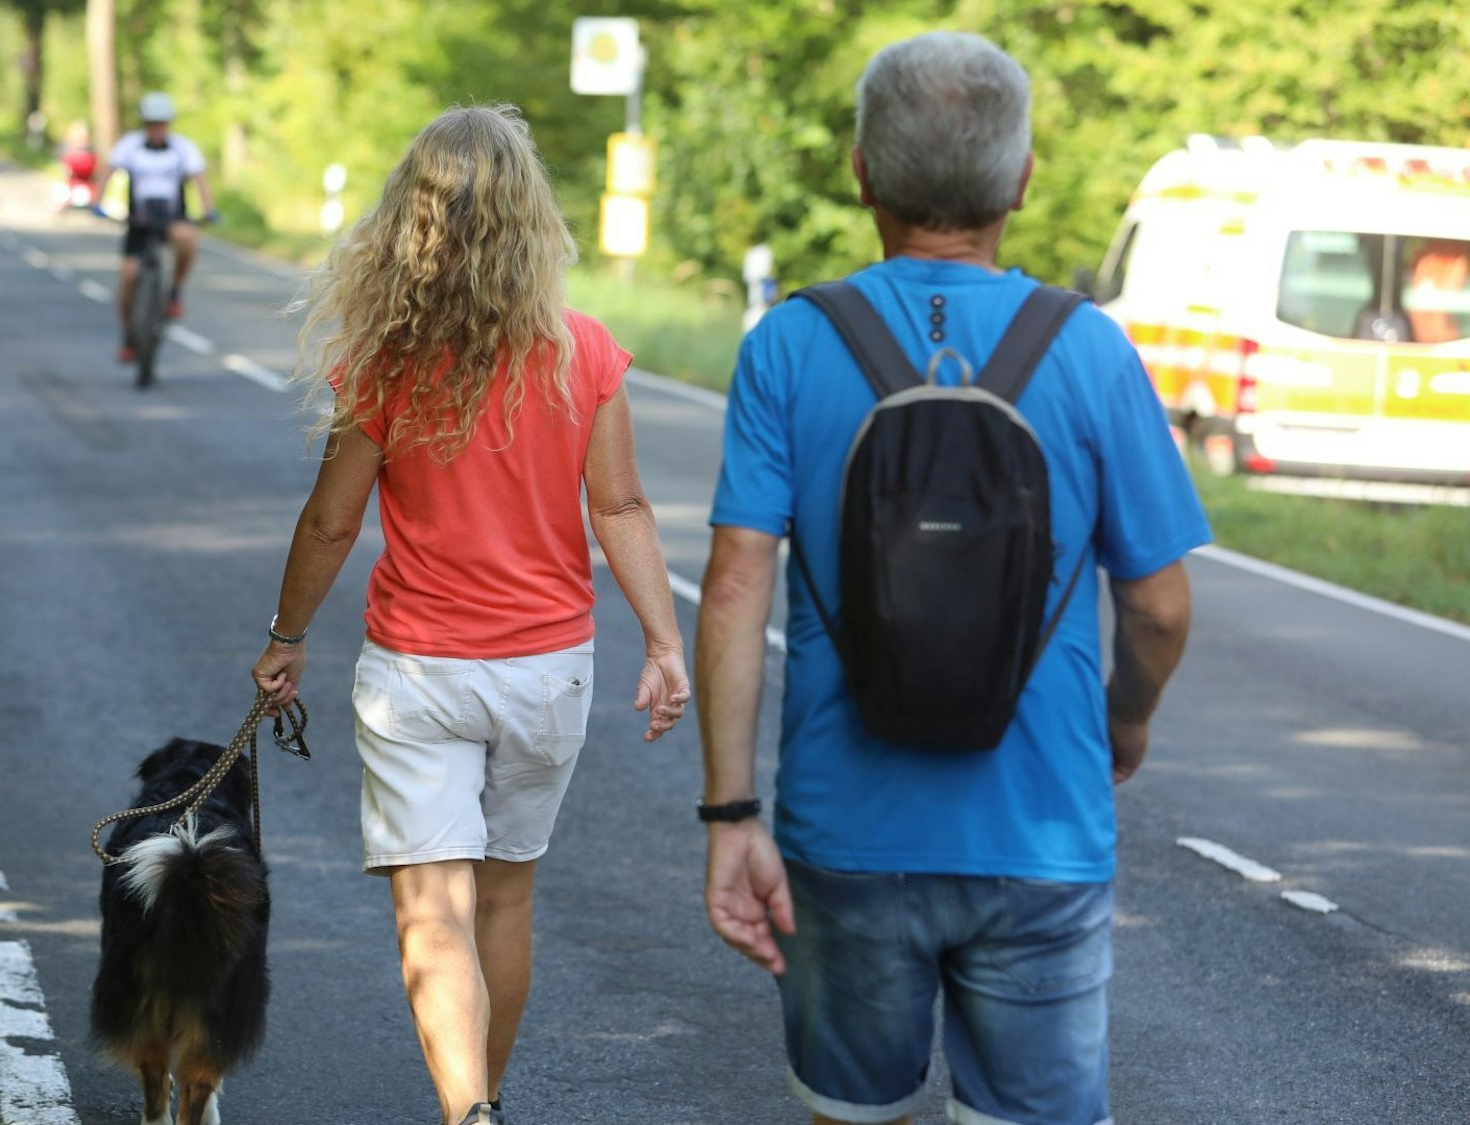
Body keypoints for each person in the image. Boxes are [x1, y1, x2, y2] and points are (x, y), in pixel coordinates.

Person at [696, 32, 1208, 1125]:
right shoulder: (1091, 350)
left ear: (861, 174)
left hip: (845, 831)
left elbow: (734, 587)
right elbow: (1159, 605)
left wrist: (731, 812)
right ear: (1020, 179)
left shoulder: (788, 344)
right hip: (1043, 831)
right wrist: (1124, 721)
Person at [251, 105, 692, 1125]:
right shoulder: (584, 352)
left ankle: (469, 1115)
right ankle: (483, 1100)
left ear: (409, 221)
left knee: (432, 908)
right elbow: (621, 507)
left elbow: (331, 522)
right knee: (504, 897)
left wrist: (286, 637)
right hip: (549, 673)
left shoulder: (387, 361)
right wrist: (663, 643)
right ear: (532, 220)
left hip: (419, 673)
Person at [103, 92, 216, 361]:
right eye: (152, 123)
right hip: (139, 222)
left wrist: (208, 209)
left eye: (161, 123)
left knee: (187, 238)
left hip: (172, 218)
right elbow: (107, 171)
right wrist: (98, 201)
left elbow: (199, 179)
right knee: (128, 276)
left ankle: (174, 290)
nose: (157, 128)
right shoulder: (130, 146)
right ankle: (129, 334)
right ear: (144, 123)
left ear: (168, 123)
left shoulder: (182, 148)